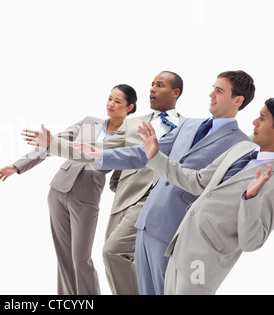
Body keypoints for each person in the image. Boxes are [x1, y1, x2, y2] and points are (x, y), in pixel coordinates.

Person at [74, 70, 255, 294]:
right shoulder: (189, 126)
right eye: (213, 88)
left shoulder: (240, 145)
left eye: (219, 91)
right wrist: (102, 155)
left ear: (237, 100)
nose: (211, 94)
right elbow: (146, 154)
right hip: (147, 221)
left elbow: (213, 192)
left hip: (176, 231)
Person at [22, 71, 187, 295]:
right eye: (151, 84)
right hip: (129, 199)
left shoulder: (189, 128)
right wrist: (52, 145)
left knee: (155, 263)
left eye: (159, 85)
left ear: (175, 92)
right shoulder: (131, 125)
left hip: (166, 198)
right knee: (110, 255)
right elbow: (97, 152)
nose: (152, 89)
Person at [0, 84, 137, 295]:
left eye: (117, 101)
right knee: (64, 257)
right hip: (58, 190)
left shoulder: (128, 138)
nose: (111, 105)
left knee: (81, 259)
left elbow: (120, 177)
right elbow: (53, 143)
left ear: (130, 107)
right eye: (109, 99)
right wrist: (17, 166)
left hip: (87, 197)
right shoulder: (89, 122)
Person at [136, 98, 274, 294]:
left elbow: (251, 242)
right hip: (180, 245)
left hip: (203, 262)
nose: (254, 122)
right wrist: (156, 157)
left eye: (262, 118)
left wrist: (250, 199)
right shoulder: (242, 149)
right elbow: (199, 181)